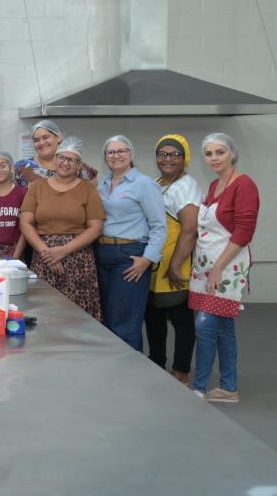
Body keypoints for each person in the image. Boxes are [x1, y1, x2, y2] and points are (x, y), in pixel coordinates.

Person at [190, 133, 259, 403]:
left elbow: (244, 232)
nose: (214, 158)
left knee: (205, 326)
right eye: (209, 154)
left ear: (232, 153)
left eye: (220, 152)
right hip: (205, 266)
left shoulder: (244, 185)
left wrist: (217, 268)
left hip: (226, 267)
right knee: (223, 328)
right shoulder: (214, 185)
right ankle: (229, 386)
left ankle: (199, 386)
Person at [20, 137, 105, 320]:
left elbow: (95, 227)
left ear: (79, 164)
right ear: (55, 159)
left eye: (71, 159)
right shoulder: (37, 187)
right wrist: (47, 253)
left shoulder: (88, 190)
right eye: (61, 157)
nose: (65, 163)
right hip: (44, 255)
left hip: (78, 258)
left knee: (77, 316)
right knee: (44, 313)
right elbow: (26, 222)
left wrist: (63, 251)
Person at [96, 135, 166, 351]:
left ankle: (130, 378)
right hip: (103, 253)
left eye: (121, 151)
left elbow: (159, 226)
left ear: (131, 154)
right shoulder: (103, 185)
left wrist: (148, 259)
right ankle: (115, 374)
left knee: (124, 324)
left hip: (130, 255)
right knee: (108, 321)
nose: (116, 155)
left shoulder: (144, 184)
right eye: (111, 152)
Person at [145, 135, 202, 385]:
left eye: (174, 154)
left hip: (175, 262)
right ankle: (156, 363)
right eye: (162, 154)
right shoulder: (157, 183)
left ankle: (181, 371)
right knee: (154, 317)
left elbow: (189, 229)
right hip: (155, 263)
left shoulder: (187, 185)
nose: (167, 159)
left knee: (181, 319)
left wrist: (176, 265)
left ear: (184, 158)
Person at [15, 120, 97, 185]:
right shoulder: (22, 167)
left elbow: (93, 196)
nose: (41, 143)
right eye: (36, 140)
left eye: (46, 137)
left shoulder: (76, 165)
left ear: (58, 138)